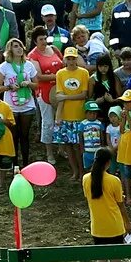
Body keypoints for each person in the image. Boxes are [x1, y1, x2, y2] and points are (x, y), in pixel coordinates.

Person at [82, 147, 131, 262]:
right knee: (115, 258)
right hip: (114, 225)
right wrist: (127, 221)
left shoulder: (86, 179)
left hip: (97, 226)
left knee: (101, 259)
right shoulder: (114, 181)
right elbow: (120, 205)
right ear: (108, 163)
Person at [0, 39, 39, 166]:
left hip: (27, 106)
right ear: (10, 50)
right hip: (11, 106)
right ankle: (14, 165)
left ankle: (26, 164)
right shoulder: (4, 66)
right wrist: (9, 87)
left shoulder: (29, 65)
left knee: (25, 136)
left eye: (20, 46)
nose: (19, 48)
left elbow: (36, 85)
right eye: (16, 46)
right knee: (13, 136)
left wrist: (28, 84)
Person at [53, 48, 93, 181]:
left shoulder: (83, 73)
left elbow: (83, 95)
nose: (71, 61)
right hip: (65, 115)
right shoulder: (60, 74)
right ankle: (75, 171)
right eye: (68, 58)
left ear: (77, 59)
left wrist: (66, 97)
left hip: (79, 115)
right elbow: (59, 94)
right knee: (68, 145)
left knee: (78, 146)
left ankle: (82, 171)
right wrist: (64, 98)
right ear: (65, 59)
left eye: (73, 58)